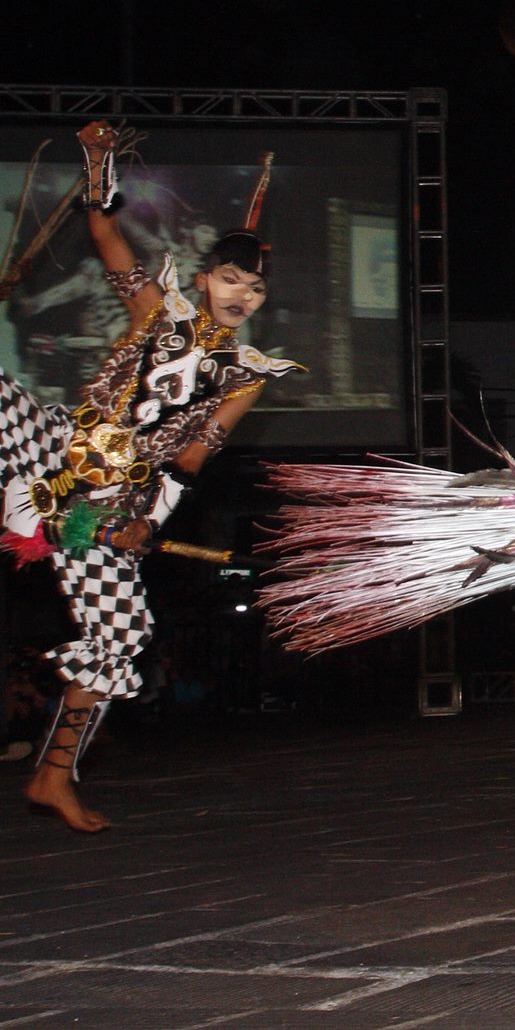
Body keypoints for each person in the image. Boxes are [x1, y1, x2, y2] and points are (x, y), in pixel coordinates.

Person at [4, 120, 298, 832]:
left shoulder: (245, 375)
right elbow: (104, 230)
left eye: (254, 289)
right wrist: (99, 159)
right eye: (231, 279)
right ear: (204, 277)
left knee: (124, 633)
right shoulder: (154, 308)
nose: (242, 295)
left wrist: (147, 521)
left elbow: (191, 460)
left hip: (113, 504)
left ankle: (52, 775)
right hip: (57, 450)